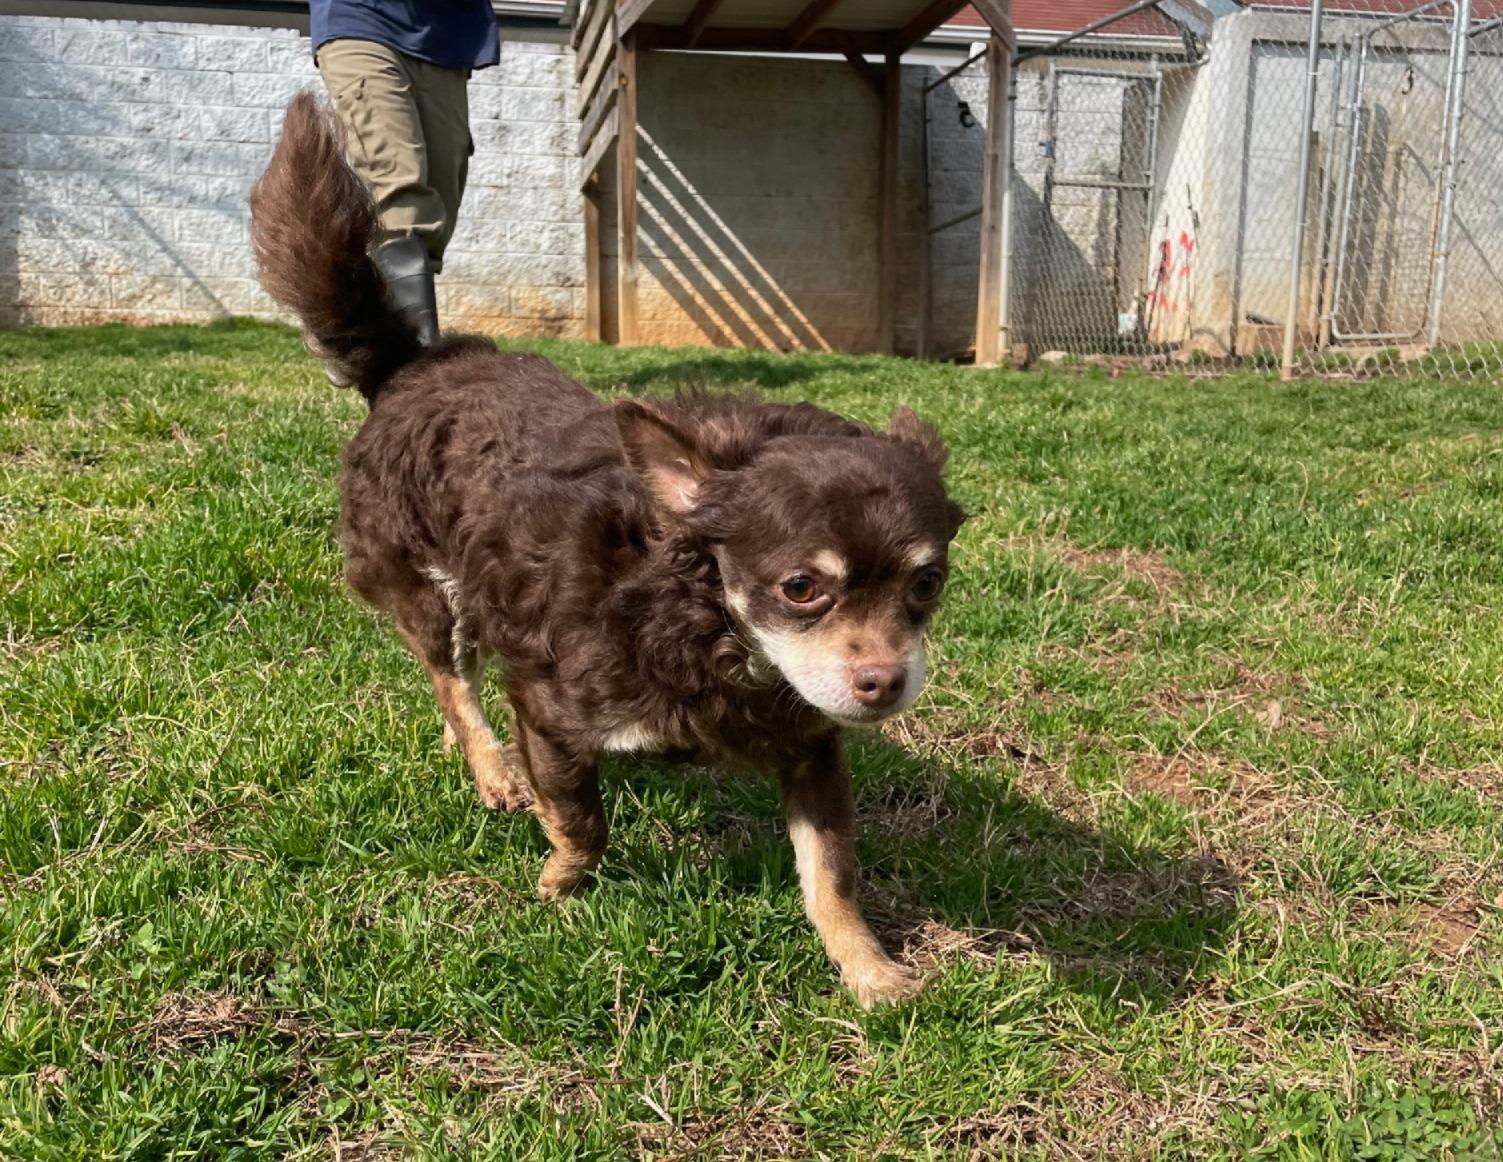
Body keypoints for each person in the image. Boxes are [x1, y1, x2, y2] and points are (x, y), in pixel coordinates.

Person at [308, 1, 499, 347]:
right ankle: (416, 359)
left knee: (441, 199)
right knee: (399, 187)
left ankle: (344, 323)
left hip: (445, 36)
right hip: (360, 19)